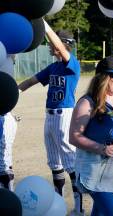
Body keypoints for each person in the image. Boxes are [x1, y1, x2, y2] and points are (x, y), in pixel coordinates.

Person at [18, 20, 84, 216]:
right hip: (49, 117)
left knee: (70, 164)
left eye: (54, 44)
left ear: (64, 44)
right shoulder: (53, 68)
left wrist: (45, 26)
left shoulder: (71, 63)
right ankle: (59, 204)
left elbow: (57, 45)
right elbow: (30, 81)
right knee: (55, 164)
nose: (50, 47)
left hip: (64, 115)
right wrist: (12, 92)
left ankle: (79, 208)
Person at [69, 55, 113, 216]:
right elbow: (74, 137)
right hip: (95, 172)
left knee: (100, 213)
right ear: (102, 77)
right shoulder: (87, 102)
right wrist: (101, 148)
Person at [0, 54, 18, 191]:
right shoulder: (8, 57)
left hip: (4, 116)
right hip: (6, 115)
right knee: (4, 162)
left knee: (2, 163)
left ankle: (8, 198)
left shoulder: (7, 58)